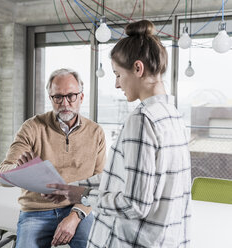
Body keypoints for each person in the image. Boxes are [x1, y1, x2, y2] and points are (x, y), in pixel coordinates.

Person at [46, 20, 191, 248]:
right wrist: (70, 188)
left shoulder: (143, 120)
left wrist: (82, 196)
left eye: (117, 74)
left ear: (137, 68)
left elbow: (134, 204)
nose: (116, 84)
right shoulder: (172, 115)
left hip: (134, 241)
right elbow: (124, 178)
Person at [0, 68, 106, 248]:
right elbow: (3, 174)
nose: (65, 103)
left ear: (81, 97)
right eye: (58, 97)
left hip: (77, 208)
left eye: (71, 96)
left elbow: (100, 182)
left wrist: (75, 216)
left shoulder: (96, 132)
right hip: (35, 212)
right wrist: (21, 172)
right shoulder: (32, 127)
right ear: (50, 98)